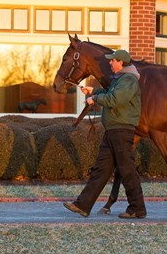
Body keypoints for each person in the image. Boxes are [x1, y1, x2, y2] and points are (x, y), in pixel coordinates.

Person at [63, 49, 147, 219]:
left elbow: (115, 100)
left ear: (121, 62)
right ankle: (83, 205)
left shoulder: (129, 80)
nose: (110, 63)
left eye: (113, 60)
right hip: (113, 131)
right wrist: (93, 92)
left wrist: (95, 100)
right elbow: (109, 94)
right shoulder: (121, 79)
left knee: (127, 170)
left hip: (122, 131)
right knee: (100, 170)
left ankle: (137, 209)